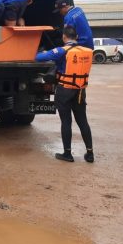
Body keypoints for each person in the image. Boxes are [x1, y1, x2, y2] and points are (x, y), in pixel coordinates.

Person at [36, 26, 94, 162]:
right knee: (83, 121)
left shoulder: (62, 51)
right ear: (77, 37)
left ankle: (67, 154)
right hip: (80, 90)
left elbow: (39, 57)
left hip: (64, 90)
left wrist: (42, 52)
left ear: (64, 37)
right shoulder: (87, 51)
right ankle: (90, 153)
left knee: (66, 122)